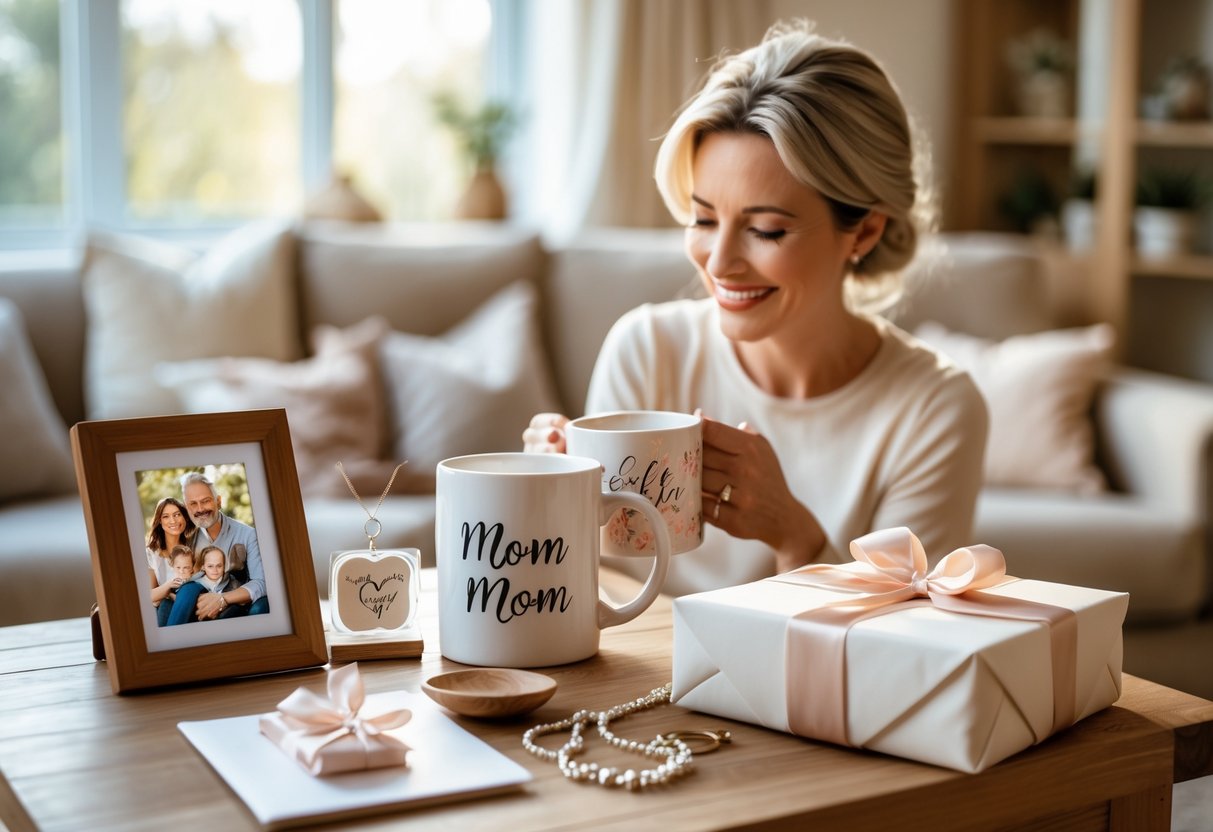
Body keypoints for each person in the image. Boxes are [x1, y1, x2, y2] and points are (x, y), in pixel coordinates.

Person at [524, 20, 988, 597]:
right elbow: (598, 593)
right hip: (644, 686)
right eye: (703, 219)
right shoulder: (646, 350)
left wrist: (793, 533)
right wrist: (546, 504)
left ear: (864, 231)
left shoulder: (935, 410)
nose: (718, 263)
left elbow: (904, 649)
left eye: (765, 230)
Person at [162, 472, 268, 625]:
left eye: (205, 501)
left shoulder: (248, 535)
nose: (200, 509)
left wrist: (222, 599)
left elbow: (261, 582)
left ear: (218, 501)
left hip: (235, 603)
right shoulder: (188, 539)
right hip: (198, 602)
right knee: (177, 597)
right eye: (193, 504)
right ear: (187, 508)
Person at [145, 498, 196, 608]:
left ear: (185, 517)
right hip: (165, 607)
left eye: (177, 514)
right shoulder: (151, 553)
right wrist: (169, 588)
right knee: (165, 605)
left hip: (190, 604)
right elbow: (150, 595)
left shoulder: (193, 548)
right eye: (166, 516)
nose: (173, 521)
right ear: (160, 521)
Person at [191, 546, 249, 620]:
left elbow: (243, 602)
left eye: (219, 566)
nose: (215, 570)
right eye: (210, 566)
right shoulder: (196, 584)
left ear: (224, 566)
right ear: (203, 567)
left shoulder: (233, 582)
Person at [154, 546, 196, 627]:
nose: (181, 571)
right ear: (173, 567)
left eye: (186, 567)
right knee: (164, 603)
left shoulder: (194, 584)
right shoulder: (171, 582)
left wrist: (170, 596)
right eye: (178, 567)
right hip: (167, 612)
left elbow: (186, 600)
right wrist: (167, 593)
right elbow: (156, 601)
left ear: (192, 568)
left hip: (185, 614)